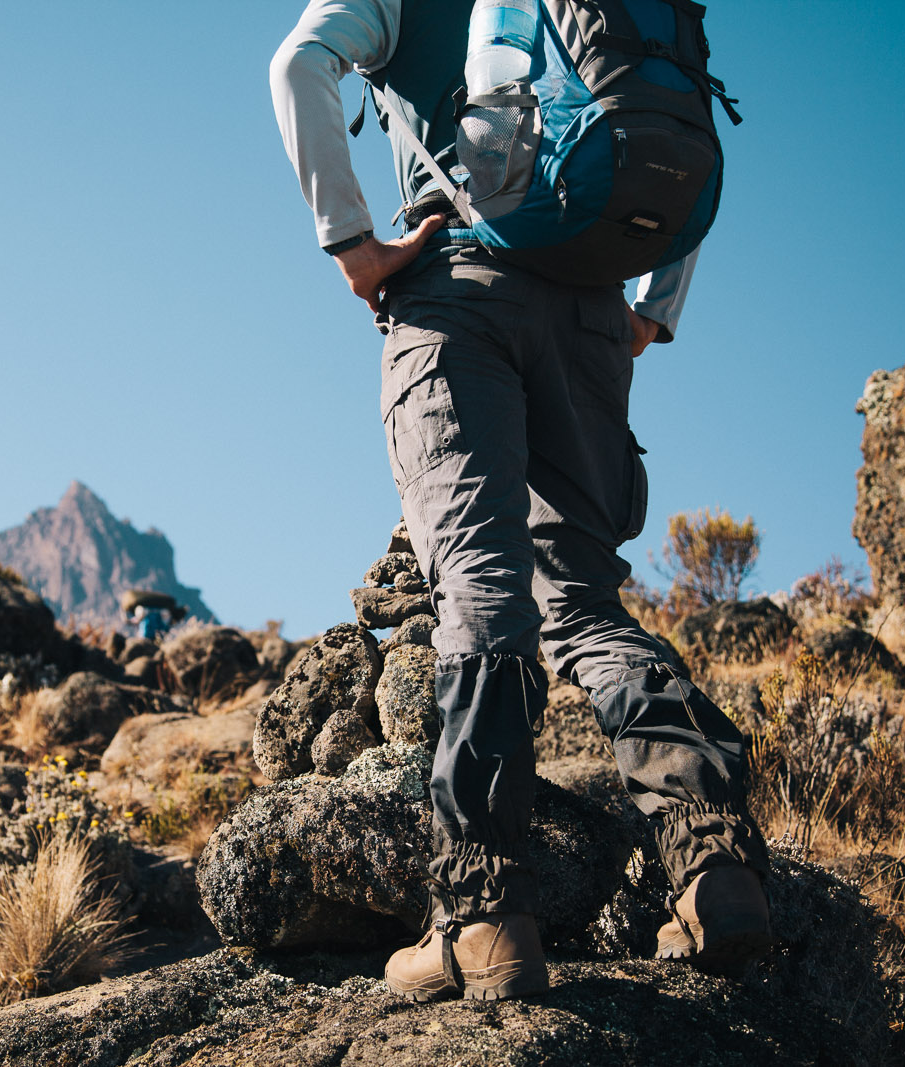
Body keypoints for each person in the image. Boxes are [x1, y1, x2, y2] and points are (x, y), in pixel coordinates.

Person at [270, 0, 771, 1002]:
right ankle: (711, 861)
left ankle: (484, 914)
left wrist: (354, 245)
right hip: (589, 316)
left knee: (479, 588)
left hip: (454, 294)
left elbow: (299, 66)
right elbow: (676, 148)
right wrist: (650, 315)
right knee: (583, 599)